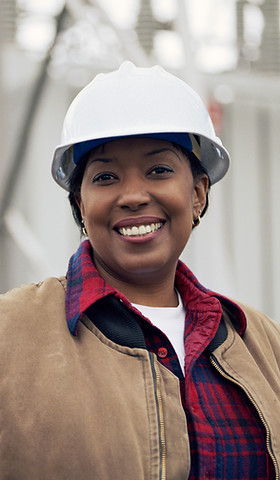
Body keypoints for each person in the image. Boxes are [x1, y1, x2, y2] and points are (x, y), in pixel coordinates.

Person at [0, 61, 279, 480]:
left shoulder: (264, 344)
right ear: (80, 204)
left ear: (198, 193)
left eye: (159, 171)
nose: (132, 196)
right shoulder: (10, 337)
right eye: (106, 176)